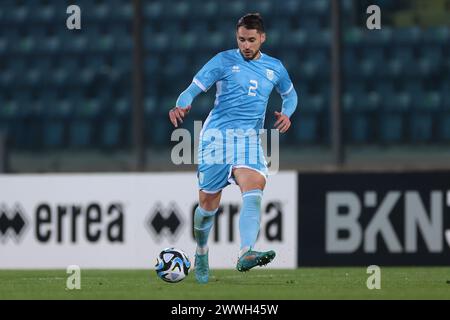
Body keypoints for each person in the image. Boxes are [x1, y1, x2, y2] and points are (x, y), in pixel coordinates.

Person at [169, 13, 298, 284]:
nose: (246, 45)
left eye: (251, 40)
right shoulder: (224, 60)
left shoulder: (275, 67)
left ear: (262, 38)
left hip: (249, 141)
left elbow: (290, 94)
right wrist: (182, 104)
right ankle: (202, 252)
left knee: (254, 188)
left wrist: (288, 113)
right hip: (216, 140)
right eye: (242, 39)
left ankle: (246, 251)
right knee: (207, 206)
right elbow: (191, 89)